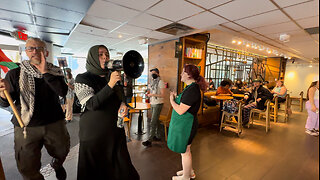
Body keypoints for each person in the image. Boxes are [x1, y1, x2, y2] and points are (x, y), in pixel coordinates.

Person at [0, 37, 70, 180]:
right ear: (26, 52)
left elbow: (62, 92)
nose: (34, 51)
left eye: (39, 48)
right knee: (27, 166)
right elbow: (5, 103)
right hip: (25, 126)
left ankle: (57, 164)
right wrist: (2, 94)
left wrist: (45, 73)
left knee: (62, 151)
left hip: (54, 123)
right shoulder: (15, 74)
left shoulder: (55, 72)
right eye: (30, 48)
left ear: (46, 53)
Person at [74, 45, 139, 180]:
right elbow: (92, 104)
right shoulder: (82, 78)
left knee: (124, 170)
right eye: (100, 54)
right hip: (94, 134)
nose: (105, 57)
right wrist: (110, 84)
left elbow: (119, 97)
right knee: (95, 172)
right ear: (92, 57)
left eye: (107, 54)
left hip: (114, 131)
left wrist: (122, 104)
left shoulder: (112, 76)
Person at [168, 64, 208, 180]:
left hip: (187, 126)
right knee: (186, 150)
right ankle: (189, 171)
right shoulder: (190, 88)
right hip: (185, 125)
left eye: (183, 72)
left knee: (185, 151)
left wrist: (171, 101)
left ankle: (186, 177)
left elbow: (180, 110)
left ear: (189, 75)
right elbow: (185, 104)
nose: (181, 74)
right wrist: (176, 98)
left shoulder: (192, 90)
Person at [142, 68, 165, 147]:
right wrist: (149, 93)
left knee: (152, 121)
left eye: (154, 73)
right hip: (153, 103)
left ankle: (150, 140)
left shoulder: (161, 82)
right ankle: (157, 136)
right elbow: (151, 91)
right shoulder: (152, 82)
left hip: (158, 103)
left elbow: (162, 95)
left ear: (158, 73)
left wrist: (152, 95)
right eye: (151, 73)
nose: (152, 74)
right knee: (156, 120)